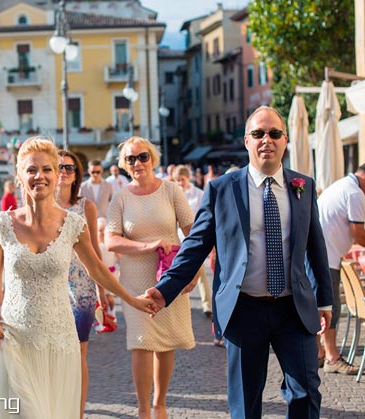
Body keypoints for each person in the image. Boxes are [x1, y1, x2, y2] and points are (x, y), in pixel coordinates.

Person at [147, 106, 333, 419]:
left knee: (306, 393)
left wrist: (325, 300)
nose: (267, 140)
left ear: (285, 140)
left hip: (294, 309)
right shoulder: (222, 189)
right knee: (245, 404)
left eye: (274, 133)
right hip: (244, 309)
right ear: (247, 141)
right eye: (258, 133)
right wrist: (165, 289)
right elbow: (195, 246)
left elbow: (316, 246)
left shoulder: (304, 186)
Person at [0, 137, 155, 419]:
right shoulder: (1, 225)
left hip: (59, 339)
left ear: (56, 175)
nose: (40, 176)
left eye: (47, 169)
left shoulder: (73, 225)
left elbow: (97, 268)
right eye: (31, 170)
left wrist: (132, 300)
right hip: (15, 338)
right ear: (19, 176)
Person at [105, 136, 196, 419]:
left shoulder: (170, 190)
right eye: (130, 159)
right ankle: (144, 409)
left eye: (142, 157)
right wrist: (146, 245)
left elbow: (193, 231)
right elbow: (110, 240)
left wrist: (190, 271)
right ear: (123, 165)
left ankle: (160, 404)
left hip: (170, 277)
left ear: (152, 159)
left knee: (166, 341)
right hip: (135, 280)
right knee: (142, 341)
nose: (137, 163)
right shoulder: (121, 197)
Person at [316, 160, 365, 374]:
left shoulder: (342, 185)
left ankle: (319, 354)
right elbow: (359, 235)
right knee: (330, 307)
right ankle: (332, 358)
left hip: (321, 253)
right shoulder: (354, 193)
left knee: (321, 306)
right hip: (327, 255)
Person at [56, 149, 107, 418]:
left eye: (70, 168)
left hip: (82, 291)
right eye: (59, 166)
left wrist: (103, 292)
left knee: (78, 356)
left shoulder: (86, 206)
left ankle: (77, 413)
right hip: (50, 288)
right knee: (53, 356)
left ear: (78, 175)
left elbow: (96, 253)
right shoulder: (40, 204)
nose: (64, 172)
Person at [171, 165, 211, 317]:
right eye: (177, 180)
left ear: (188, 178)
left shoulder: (199, 194)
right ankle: (180, 306)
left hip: (195, 238)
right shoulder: (175, 194)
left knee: (200, 273)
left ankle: (207, 305)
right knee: (180, 272)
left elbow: (204, 215)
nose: (180, 182)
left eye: (182, 179)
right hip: (179, 239)